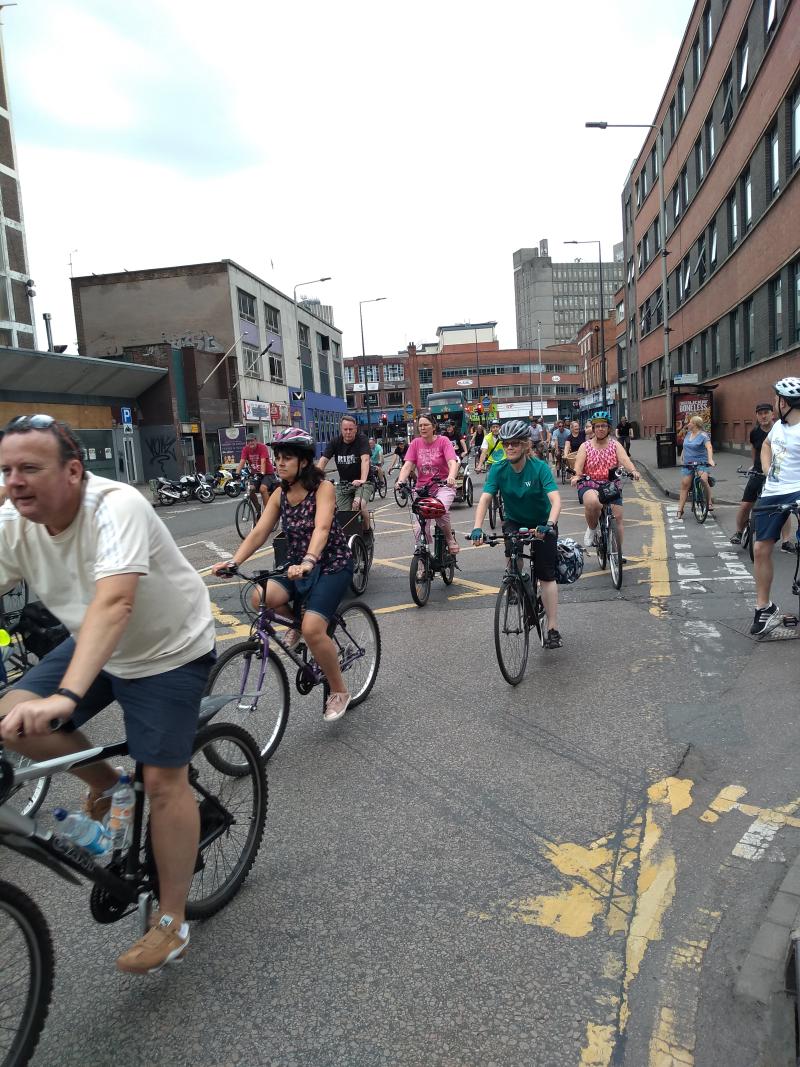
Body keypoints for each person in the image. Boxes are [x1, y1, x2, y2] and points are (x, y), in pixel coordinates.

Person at [0, 415, 216, 974]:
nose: (14, 482)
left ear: (74, 470)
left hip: (168, 650)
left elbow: (116, 602)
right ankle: (111, 785)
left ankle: (170, 922)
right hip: (95, 641)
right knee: (8, 712)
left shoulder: (116, 505)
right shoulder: (12, 523)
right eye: (5, 470)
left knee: (164, 781)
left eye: (29, 468)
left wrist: (67, 697)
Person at [213, 427, 355, 716]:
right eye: (278, 458)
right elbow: (259, 532)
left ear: (304, 461)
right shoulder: (280, 493)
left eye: (287, 458)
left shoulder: (323, 489)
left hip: (330, 564)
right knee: (259, 597)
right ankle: (300, 626)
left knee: (313, 629)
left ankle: (340, 690)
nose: (279, 463)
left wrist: (309, 560)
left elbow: (323, 528)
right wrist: (234, 562)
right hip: (296, 567)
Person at [470, 420, 563, 649]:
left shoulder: (539, 467)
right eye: (505, 444)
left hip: (543, 523)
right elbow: (485, 498)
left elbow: (556, 500)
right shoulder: (499, 469)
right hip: (515, 521)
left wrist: (549, 524)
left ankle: (552, 628)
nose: (509, 448)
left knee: (546, 574)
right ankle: (519, 583)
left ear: (524, 445)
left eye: (514, 444)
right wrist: (477, 527)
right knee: (513, 559)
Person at [749, 377, 800, 636]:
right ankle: (764, 607)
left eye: (779, 400)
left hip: (798, 489)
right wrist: (767, 469)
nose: (776, 404)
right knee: (760, 548)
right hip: (773, 492)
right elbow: (767, 445)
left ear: (785, 403)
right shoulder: (779, 426)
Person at [570, 411, 641, 555]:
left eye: (604, 426)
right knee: (593, 503)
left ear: (608, 428)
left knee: (618, 518)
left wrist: (633, 470)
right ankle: (591, 528)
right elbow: (578, 464)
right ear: (593, 429)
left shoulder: (615, 445)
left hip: (610, 484)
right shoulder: (586, 446)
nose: (600, 429)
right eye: (597, 426)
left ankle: (617, 553)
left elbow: (624, 459)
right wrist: (577, 476)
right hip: (589, 483)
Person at [730, 403, 793, 549]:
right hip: (758, 472)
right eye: (760, 413)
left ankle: (786, 541)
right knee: (745, 505)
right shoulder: (755, 432)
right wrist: (753, 464)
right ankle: (739, 533)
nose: (763, 416)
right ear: (757, 416)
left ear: (773, 414)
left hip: (778, 474)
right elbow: (754, 449)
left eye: (766, 413)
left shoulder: (782, 430)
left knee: (783, 508)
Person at [397, 413, 460, 554]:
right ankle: (422, 561)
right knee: (419, 527)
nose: (423, 428)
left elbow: (452, 462)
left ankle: (449, 538)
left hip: (443, 486)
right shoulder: (415, 443)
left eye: (426, 425)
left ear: (434, 427)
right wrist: (401, 481)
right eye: (420, 425)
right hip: (422, 488)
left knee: (439, 509)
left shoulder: (443, 441)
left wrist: (451, 477)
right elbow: (407, 466)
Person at [317, 414, 373, 534]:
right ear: (341, 430)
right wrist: (313, 478)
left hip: (364, 483)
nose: (348, 432)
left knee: (358, 505)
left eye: (351, 429)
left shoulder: (362, 440)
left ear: (355, 429)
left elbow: (365, 460)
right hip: (344, 485)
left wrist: (362, 479)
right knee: (344, 516)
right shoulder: (335, 442)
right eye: (345, 429)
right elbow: (324, 460)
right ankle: (352, 541)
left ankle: (367, 531)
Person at [676, 416, 715, 518]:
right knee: (685, 484)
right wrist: (682, 456)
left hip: (701, 463)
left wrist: (710, 460)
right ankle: (680, 510)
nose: (688, 424)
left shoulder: (703, 435)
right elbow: (685, 446)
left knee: (703, 479)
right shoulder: (688, 434)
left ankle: (709, 502)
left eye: (690, 422)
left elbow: (709, 447)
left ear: (695, 424)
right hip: (688, 463)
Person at [236, 433, 276, 511]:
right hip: (255, 474)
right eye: (248, 441)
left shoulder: (262, 447)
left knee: (263, 489)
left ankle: (268, 511)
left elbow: (263, 461)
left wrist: (262, 473)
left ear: (256, 440)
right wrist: (237, 473)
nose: (250, 443)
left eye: (252, 441)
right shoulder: (245, 449)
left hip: (267, 473)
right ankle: (258, 509)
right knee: (249, 489)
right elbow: (242, 461)